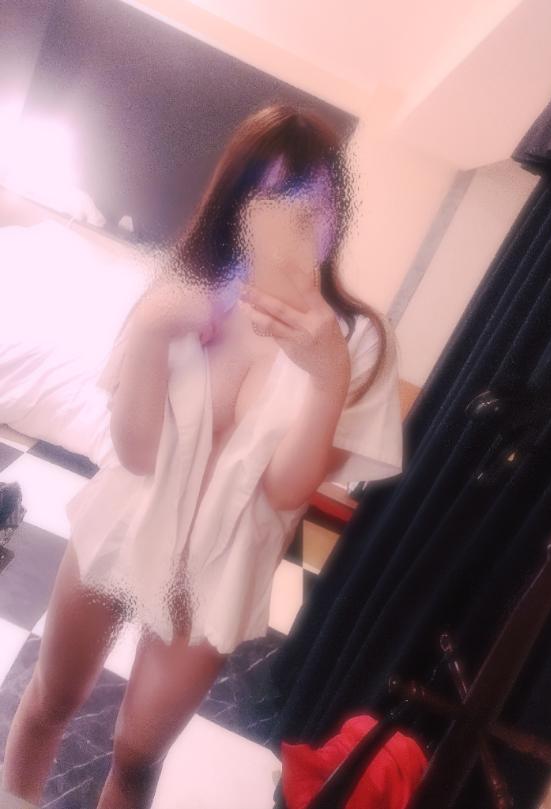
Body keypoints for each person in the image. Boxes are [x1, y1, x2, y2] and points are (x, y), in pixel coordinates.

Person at [1, 103, 401, 808]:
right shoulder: (182, 288)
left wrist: (326, 376)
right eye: (267, 198)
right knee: (48, 702)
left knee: (137, 757)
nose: (289, 220)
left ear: (335, 211)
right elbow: (136, 452)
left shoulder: (356, 338)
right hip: (122, 522)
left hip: (219, 566)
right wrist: (154, 332)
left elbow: (286, 491)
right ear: (236, 203)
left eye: (309, 202)